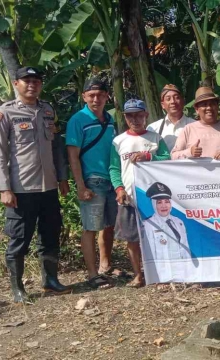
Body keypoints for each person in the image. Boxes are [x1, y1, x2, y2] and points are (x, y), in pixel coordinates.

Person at [0, 66, 71, 303]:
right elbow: (0, 153)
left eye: (36, 81)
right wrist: (4, 188)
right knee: (19, 239)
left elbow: (56, 147)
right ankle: (17, 289)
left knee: (50, 235)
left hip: (48, 187)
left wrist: (62, 178)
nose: (32, 85)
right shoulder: (5, 113)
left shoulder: (47, 111)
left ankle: (50, 281)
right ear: (16, 84)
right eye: (26, 81)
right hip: (21, 189)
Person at [109, 99, 171, 288]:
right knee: (132, 238)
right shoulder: (118, 141)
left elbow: (167, 159)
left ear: (146, 116)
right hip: (128, 197)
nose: (135, 119)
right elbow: (114, 168)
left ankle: (160, 273)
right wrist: (119, 189)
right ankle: (138, 274)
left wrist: (149, 156)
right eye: (130, 115)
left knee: (158, 235)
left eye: (138, 115)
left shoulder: (155, 138)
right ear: (125, 117)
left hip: (152, 197)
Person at [66, 78, 118, 290]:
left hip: (112, 180)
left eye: (100, 95)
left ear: (107, 96)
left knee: (109, 225)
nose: (96, 99)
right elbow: (73, 155)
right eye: (91, 95)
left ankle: (105, 265)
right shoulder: (78, 120)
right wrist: (80, 185)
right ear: (84, 97)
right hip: (92, 180)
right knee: (90, 228)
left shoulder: (111, 119)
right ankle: (91, 273)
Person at [171, 87, 220, 160]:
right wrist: (190, 152)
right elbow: (173, 156)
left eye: (212, 104)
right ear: (197, 109)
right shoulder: (188, 129)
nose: (209, 108)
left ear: (217, 107)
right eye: (204, 105)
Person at [142, 182, 190, 261]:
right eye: (159, 202)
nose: (164, 206)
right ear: (154, 205)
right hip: (163, 269)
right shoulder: (148, 224)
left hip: (182, 268)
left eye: (167, 201)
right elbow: (149, 253)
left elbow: (185, 248)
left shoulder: (179, 222)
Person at [147, 84, 195, 151]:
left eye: (177, 97)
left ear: (183, 101)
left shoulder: (194, 125)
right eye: (168, 99)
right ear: (163, 105)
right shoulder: (153, 129)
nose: (173, 102)